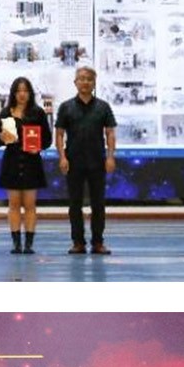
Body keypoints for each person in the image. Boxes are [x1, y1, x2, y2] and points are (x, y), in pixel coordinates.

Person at [55, 65, 118, 256]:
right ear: (75, 82)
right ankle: (78, 243)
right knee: (75, 205)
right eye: (81, 78)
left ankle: (98, 242)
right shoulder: (66, 107)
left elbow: (110, 133)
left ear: (94, 83)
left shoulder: (103, 107)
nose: (85, 82)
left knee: (98, 204)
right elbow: (59, 134)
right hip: (73, 162)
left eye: (89, 79)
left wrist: (110, 157)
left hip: (97, 162)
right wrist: (62, 157)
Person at [0, 75, 51, 253]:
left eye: (25, 90)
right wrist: (2, 138)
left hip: (31, 163)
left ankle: (29, 244)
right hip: (12, 162)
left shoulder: (38, 113)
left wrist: (38, 147)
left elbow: (47, 139)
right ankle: (16, 243)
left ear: (30, 93)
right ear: (13, 93)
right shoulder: (5, 113)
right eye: (18, 91)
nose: (22, 94)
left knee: (30, 204)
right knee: (14, 204)